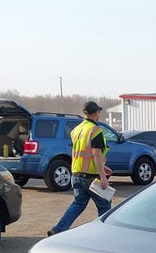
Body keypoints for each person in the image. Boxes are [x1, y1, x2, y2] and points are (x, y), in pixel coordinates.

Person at [47, 101, 113, 236]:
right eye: (99, 112)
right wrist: (102, 176)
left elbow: (83, 153)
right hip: (90, 176)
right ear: (96, 114)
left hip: (76, 173)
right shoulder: (95, 131)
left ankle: (58, 229)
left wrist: (103, 167)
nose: (99, 114)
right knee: (104, 204)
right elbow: (95, 153)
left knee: (78, 203)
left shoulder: (76, 130)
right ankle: (105, 234)